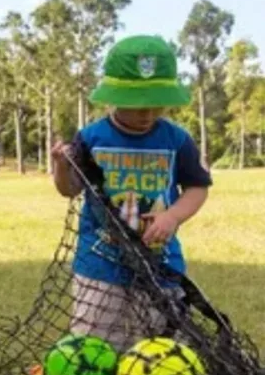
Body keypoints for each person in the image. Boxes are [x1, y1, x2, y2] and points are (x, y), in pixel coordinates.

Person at [52, 35, 212, 352]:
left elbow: (197, 187)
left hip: (160, 264)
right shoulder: (91, 137)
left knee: (159, 352)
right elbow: (69, 190)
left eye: (157, 103)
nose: (148, 113)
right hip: (99, 263)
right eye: (137, 104)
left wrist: (172, 216)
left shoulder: (176, 139)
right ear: (113, 96)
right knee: (93, 350)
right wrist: (60, 166)